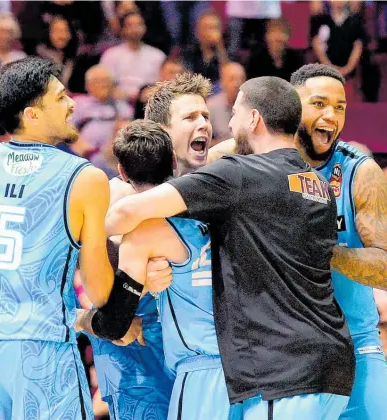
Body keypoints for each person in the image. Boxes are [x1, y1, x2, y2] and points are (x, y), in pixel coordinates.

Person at [105, 76, 355, 419]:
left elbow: (120, 218)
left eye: (208, 115)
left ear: (252, 119)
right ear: (160, 132)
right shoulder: (312, 184)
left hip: (259, 371)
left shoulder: (233, 177)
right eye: (190, 117)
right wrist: (125, 251)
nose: (209, 124)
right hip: (193, 366)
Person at [0, 56, 130, 420]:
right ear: (32, 115)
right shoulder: (84, 177)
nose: (72, 103)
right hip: (41, 350)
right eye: (60, 98)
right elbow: (99, 291)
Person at [77, 119, 240, 420]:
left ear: (123, 173)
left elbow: (115, 325)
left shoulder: (138, 229)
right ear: (175, 162)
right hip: (246, 366)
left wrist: (82, 319)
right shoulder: (225, 210)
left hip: (192, 370)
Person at [290, 63, 387, 420]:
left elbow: (386, 270)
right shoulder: (254, 163)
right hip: (283, 353)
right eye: (318, 104)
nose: (331, 114)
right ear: (290, 105)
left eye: (340, 106)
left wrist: (324, 252)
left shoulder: (361, 172)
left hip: (355, 346)